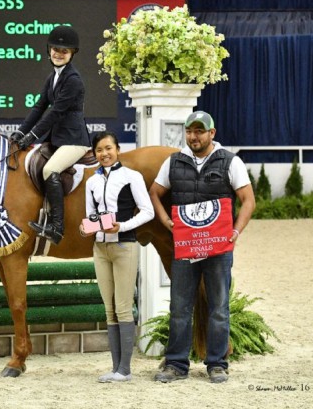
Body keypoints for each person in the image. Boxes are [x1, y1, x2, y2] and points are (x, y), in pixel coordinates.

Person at [149, 110, 255, 384]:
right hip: (185, 246)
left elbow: (248, 200)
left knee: (219, 306)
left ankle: (217, 363)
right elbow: (155, 192)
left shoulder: (231, 162)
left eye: (199, 131)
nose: (193, 136)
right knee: (180, 306)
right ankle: (176, 364)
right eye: (189, 131)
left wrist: (235, 230)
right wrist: (164, 220)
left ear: (212, 133)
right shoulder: (173, 161)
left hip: (219, 248)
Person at [80, 131, 154, 383]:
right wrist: (86, 227)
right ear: (94, 154)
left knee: (123, 308)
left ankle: (125, 370)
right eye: (99, 150)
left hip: (125, 246)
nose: (104, 153)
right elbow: (91, 216)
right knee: (109, 309)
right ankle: (115, 368)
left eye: (108, 148)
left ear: (118, 149)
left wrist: (121, 226)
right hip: (100, 249)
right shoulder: (91, 180)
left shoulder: (131, 177)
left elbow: (148, 211)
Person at [10, 25, 91, 245]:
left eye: (64, 51)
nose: (58, 53)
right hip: (58, 140)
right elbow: (39, 107)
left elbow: (56, 113)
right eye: (55, 49)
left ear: (72, 53)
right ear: (49, 50)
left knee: (49, 169)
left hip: (75, 140)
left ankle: (57, 227)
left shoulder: (73, 80)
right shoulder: (53, 77)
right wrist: (21, 131)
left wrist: (33, 136)